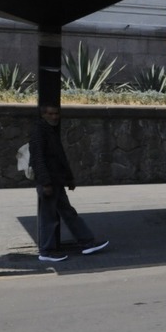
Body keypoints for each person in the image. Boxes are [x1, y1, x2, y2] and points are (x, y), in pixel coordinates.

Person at [28, 104, 108, 261]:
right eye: (51, 114)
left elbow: (59, 156)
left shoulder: (49, 130)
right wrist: (45, 183)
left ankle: (87, 242)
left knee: (68, 213)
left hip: (55, 180)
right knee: (49, 217)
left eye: (56, 114)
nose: (54, 117)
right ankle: (47, 251)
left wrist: (68, 178)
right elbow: (38, 158)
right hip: (49, 181)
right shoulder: (39, 131)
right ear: (43, 115)